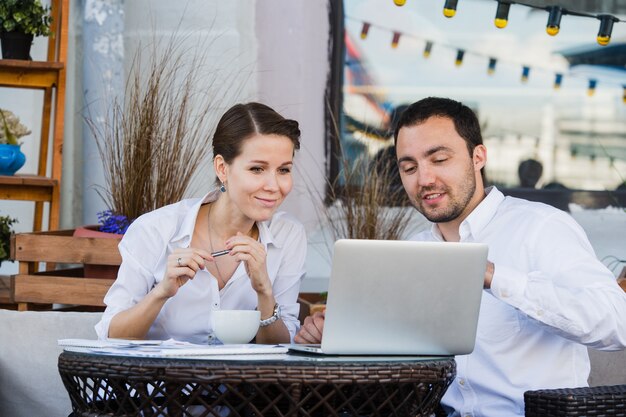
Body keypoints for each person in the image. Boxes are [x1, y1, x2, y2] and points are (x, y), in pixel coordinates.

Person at [295, 97, 626, 416]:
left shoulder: (541, 227)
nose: (424, 179)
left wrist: (496, 277)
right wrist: (336, 339)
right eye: (409, 167)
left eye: (439, 160)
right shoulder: (414, 250)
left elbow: (616, 323)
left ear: (478, 157)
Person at [96, 102, 307, 345]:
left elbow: (281, 347)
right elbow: (110, 336)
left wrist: (264, 292)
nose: (273, 186)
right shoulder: (155, 230)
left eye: (284, 170)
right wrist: (161, 292)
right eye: (257, 169)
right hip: (158, 380)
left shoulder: (288, 235)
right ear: (222, 168)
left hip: (241, 383)